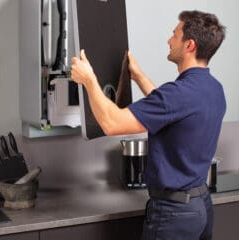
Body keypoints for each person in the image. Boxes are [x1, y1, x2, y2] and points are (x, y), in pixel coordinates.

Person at [71, 10, 226, 240]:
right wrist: (139, 76)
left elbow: (112, 124)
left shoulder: (178, 94)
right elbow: (171, 111)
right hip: (200, 206)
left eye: (175, 34)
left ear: (189, 45)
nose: (169, 40)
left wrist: (89, 80)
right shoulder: (213, 89)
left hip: (174, 212)